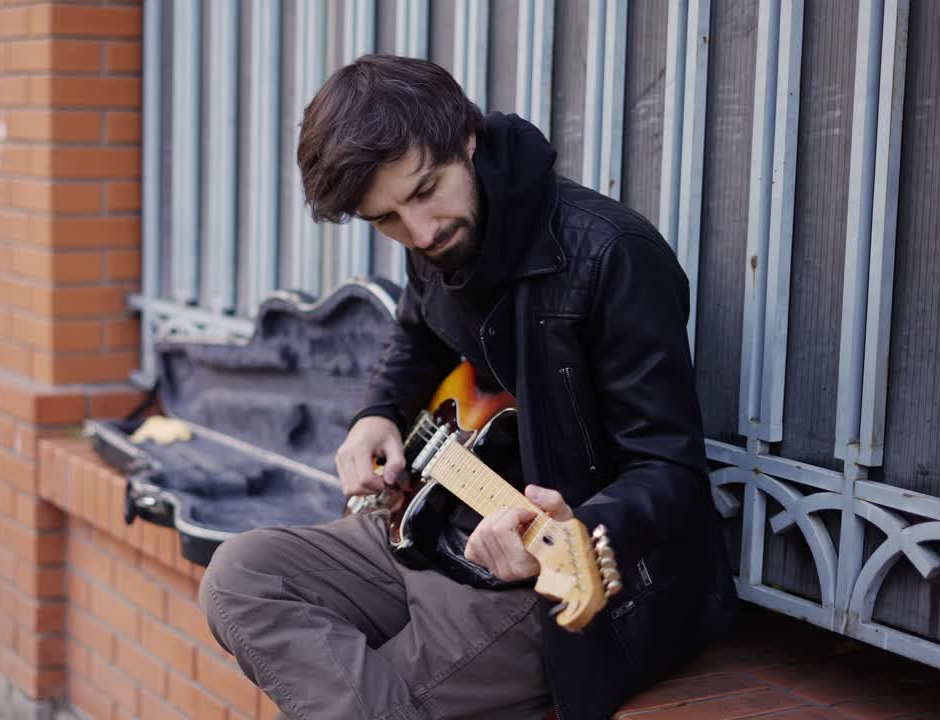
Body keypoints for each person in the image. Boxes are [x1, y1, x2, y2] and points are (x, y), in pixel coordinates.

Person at [198, 54, 737, 720]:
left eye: (426, 191)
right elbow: (416, 334)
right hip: (435, 528)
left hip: (548, 581)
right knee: (238, 575)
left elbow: (671, 471)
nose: (419, 232)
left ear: (468, 137)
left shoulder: (613, 254)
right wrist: (378, 413)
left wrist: (580, 527)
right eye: (388, 219)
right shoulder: (436, 241)